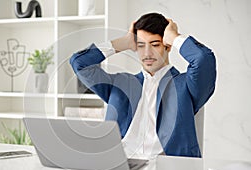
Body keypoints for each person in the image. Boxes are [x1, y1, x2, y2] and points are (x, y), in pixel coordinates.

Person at [70, 13, 216, 158]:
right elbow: (79, 63)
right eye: (141, 45)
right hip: (119, 167)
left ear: (168, 46)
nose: (147, 53)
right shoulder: (120, 84)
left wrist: (174, 37)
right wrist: (124, 42)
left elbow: (202, 59)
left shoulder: (185, 85)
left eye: (155, 45)